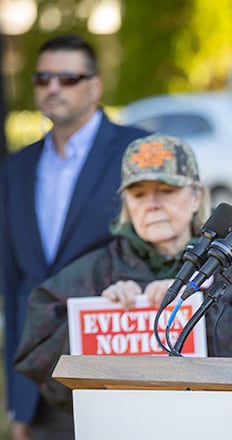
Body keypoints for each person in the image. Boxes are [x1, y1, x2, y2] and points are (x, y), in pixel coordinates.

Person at [12, 134, 232, 438]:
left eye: (166, 190)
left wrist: (201, 311)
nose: (153, 205)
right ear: (126, 205)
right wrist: (99, 323)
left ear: (197, 197)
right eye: (139, 194)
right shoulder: (92, 273)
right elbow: (43, 370)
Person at [0, 34, 149, 440]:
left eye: (67, 78)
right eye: (43, 77)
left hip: (118, 371)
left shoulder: (136, 151)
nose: (52, 88)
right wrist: (19, 402)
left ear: (96, 85)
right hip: (42, 387)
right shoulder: (16, 169)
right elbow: (16, 289)